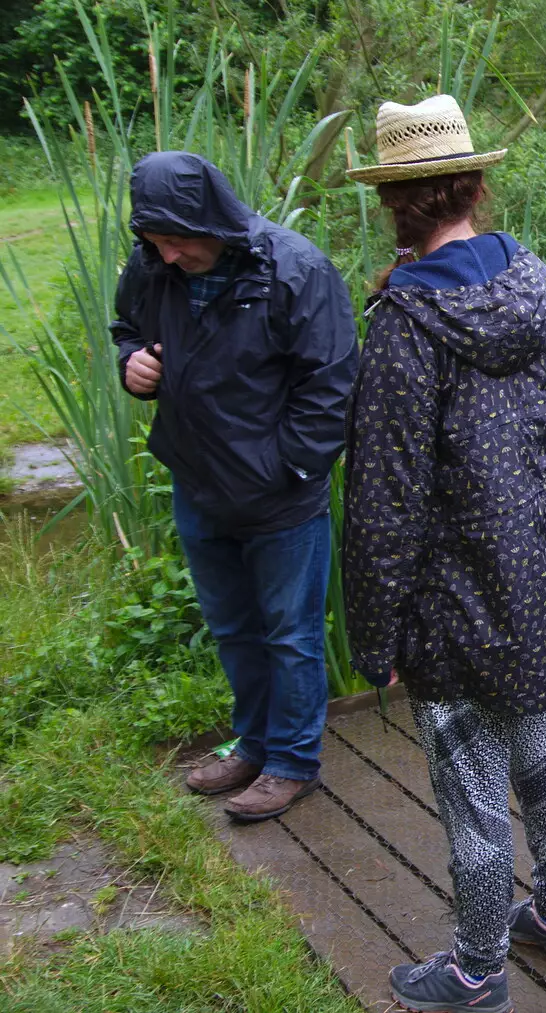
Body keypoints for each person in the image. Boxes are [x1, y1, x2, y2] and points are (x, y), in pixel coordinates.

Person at [340, 95, 546, 1013]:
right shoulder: (537, 282)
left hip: (458, 595)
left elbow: (382, 501)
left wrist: (372, 637)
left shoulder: (404, 323)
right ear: (474, 186)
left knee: (471, 788)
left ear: (394, 201)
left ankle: (474, 969)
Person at [112, 150, 357, 822]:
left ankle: (292, 762)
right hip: (197, 482)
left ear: (212, 221)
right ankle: (253, 745)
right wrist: (129, 361)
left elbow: (330, 384)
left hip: (281, 497)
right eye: (153, 241)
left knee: (291, 634)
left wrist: (287, 470)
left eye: (176, 240)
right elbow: (126, 329)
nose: (165, 256)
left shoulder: (295, 269)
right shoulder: (152, 266)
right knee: (232, 629)